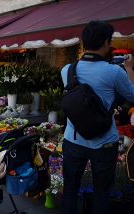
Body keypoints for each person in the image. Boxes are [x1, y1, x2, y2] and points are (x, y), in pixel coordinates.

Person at [60, 20, 134, 214]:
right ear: (104, 42)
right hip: (104, 143)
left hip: (72, 139)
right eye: (110, 41)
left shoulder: (67, 70)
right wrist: (130, 68)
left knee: (70, 190)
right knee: (102, 193)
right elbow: (132, 95)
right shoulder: (114, 72)